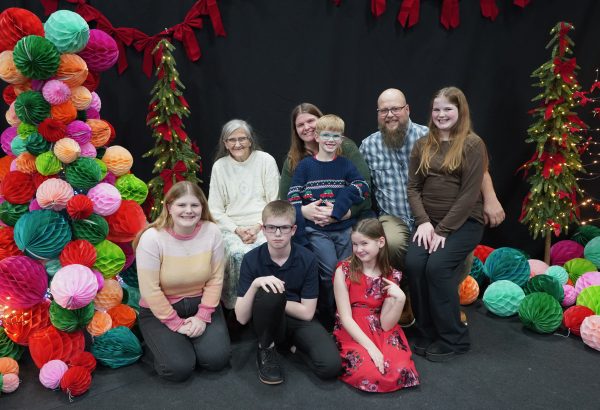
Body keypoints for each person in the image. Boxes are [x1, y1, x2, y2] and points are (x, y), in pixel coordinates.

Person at [359, 88, 505, 324]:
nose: (390, 114)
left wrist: (490, 198)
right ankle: (406, 297)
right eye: (384, 110)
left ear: (407, 109)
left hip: (435, 216)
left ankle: (445, 302)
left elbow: (478, 170)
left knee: (457, 251)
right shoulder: (368, 146)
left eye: (395, 108)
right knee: (392, 241)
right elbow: (361, 185)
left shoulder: (431, 135)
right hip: (394, 217)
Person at [405, 86, 487, 362]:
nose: (441, 114)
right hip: (429, 223)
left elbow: (469, 195)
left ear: (460, 111)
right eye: (436, 109)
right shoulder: (423, 144)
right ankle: (427, 330)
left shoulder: (472, 144)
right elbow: (413, 188)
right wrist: (424, 222)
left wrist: (443, 230)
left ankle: (454, 338)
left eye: (448, 109)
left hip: (464, 222)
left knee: (437, 267)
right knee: (414, 264)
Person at [235, 200, 341, 385]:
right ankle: (266, 347)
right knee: (270, 293)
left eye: (284, 228)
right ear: (263, 230)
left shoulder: (307, 258)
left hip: (297, 319)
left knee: (330, 366)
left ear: (293, 230)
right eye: (271, 228)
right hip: (266, 317)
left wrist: (279, 300)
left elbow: (307, 313)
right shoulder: (251, 259)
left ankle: (288, 347)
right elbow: (242, 318)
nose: (277, 234)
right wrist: (255, 285)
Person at [134, 181, 230, 381]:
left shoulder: (212, 232)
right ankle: (160, 344)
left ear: (202, 207)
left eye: (194, 205)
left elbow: (215, 279)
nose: (188, 210)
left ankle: (186, 342)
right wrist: (175, 324)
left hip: (202, 304)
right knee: (178, 368)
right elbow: (150, 290)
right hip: (160, 310)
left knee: (216, 361)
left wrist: (202, 317)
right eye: (181, 205)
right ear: (169, 207)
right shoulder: (152, 238)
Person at [288, 114, 370, 329]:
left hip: (343, 229)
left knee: (347, 271)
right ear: (316, 137)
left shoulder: (345, 164)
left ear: (342, 139)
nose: (331, 140)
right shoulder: (305, 166)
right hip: (317, 230)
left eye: (336, 136)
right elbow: (293, 195)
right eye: (326, 135)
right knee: (330, 272)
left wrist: (339, 208)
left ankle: (347, 316)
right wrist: (305, 212)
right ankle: (328, 315)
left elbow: (362, 187)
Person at [333, 218, 420, 393]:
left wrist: (400, 299)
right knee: (369, 373)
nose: (359, 249)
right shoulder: (343, 270)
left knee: (400, 369)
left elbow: (386, 324)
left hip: (380, 328)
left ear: (380, 242)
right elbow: (345, 317)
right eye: (355, 244)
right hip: (353, 328)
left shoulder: (391, 275)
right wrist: (371, 348)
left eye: (364, 243)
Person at [208, 119, 280, 310]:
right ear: (225, 143)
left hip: (265, 223)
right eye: (231, 140)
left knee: (267, 249)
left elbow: (274, 201)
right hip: (231, 227)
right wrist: (237, 230)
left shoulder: (265, 160)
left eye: (242, 139)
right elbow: (215, 209)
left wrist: (259, 226)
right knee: (236, 253)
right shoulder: (220, 166)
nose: (237, 144)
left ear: (250, 140)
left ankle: (269, 303)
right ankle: (238, 308)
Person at [279, 103, 373, 227]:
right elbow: (285, 200)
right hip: (311, 223)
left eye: (310, 121)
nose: (306, 127)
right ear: (295, 130)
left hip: (348, 217)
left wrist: (343, 213)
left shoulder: (346, 147)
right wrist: (302, 211)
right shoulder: (293, 159)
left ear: (321, 121)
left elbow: (365, 188)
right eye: (300, 125)